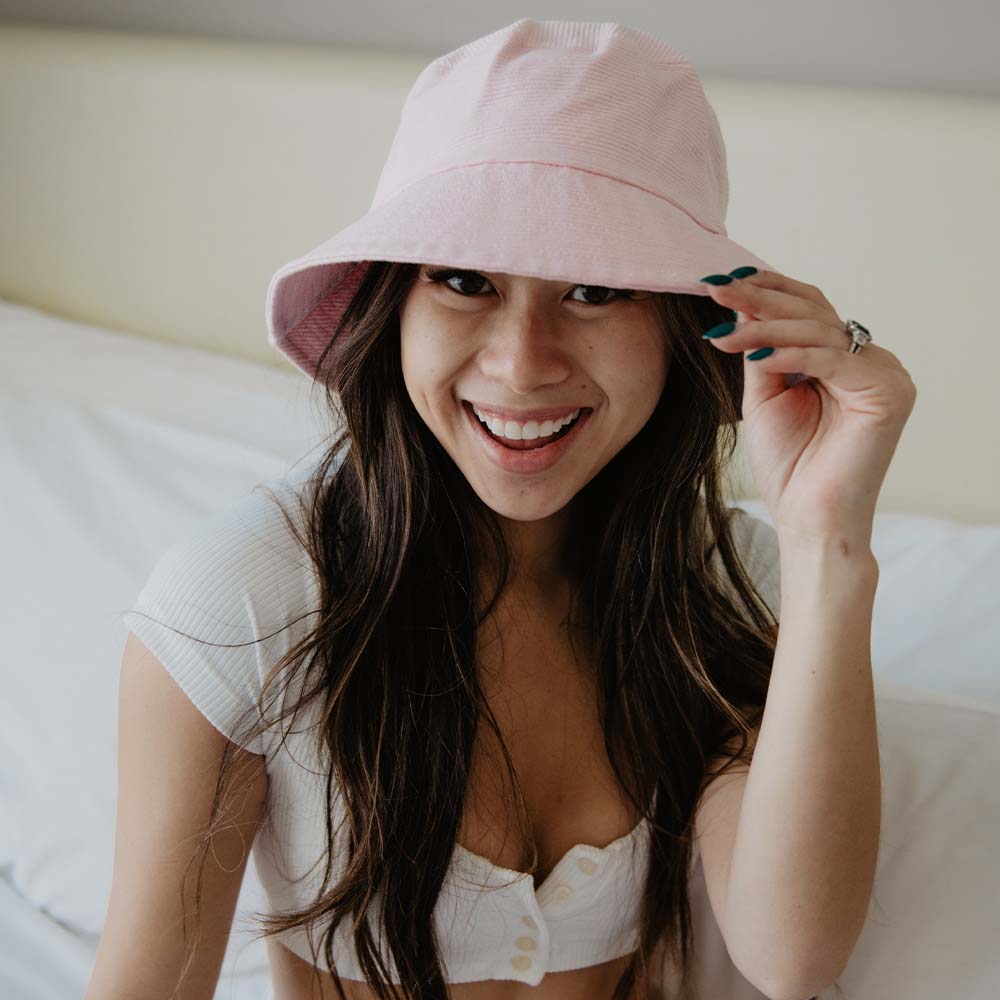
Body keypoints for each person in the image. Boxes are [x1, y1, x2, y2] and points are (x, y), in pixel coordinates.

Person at [88, 17, 914, 1000]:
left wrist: (828, 539)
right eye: (464, 279)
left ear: (682, 326)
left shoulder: (716, 590)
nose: (522, 363)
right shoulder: (248, 604)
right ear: (393, 305)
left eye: (596, 288)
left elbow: (792, 955)